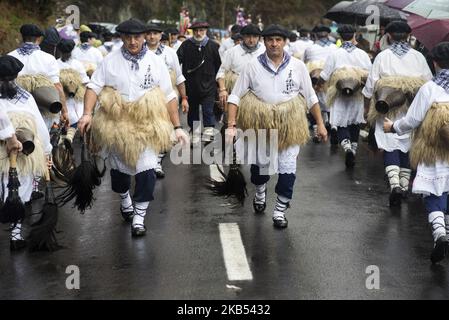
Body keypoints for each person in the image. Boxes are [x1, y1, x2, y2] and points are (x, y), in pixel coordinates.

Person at [77, 18, 189, 237]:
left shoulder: (155, 62)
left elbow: (168, 95)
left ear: (144, 37)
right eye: (127, 37)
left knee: (147, 171)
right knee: (120, 175)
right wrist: (87, 114)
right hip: (117, 125)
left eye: (136, 37)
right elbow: (94, 86)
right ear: (121, 38)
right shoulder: (110, 61)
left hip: (146, 124)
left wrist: (177, 126)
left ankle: (139, 217)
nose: (132, 41)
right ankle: (124, 199)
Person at [226, 24, 328, 229]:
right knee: (260, 170)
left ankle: (280, 210)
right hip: (261, 125)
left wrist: (320, 123)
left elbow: (310, 97)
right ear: (264, 42)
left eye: (278, 40)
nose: (274, 43)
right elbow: (235, 96)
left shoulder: (298, 66)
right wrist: (231, 124)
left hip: (290, 125)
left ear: (284, 42)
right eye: (270, 40)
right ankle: (260, 190)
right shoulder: (252, 66)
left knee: (287, 169)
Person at [383, 42, 449, 263]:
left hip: (433, 150)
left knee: (433, 193)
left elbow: (412, 120)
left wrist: (393, 127)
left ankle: (439, 232)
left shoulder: (430, 89)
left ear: (434, 63)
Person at [362, 20, 433, 207]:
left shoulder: (382, 56)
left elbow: (370, 86)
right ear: (409, 36)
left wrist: (366, 108)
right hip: (412, 107)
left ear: (389, 36)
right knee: (407, 144)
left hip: (386, 107)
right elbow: (429, 84)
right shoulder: (418, 57)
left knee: (389, 144)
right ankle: (403, 185)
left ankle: (394, 184)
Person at [0, 55, 52, 250]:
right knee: (15, 188)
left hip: (24, 152)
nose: (7, 82)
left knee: (16, 188)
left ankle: (15, 233)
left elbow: (38, 126)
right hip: (10, 152)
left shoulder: (27, 97)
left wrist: (46, 150)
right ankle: (15, 234)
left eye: (9, 78)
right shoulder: (25, 97)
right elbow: (39, 126)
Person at [320, 25, 372, 168]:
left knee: (340, 122)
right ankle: (353, 150)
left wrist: (318, 84)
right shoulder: (362, 54)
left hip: (339, 94)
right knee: (355, 122)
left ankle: (347, 148)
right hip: (357, 94)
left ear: (340, 37)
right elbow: (370, 75)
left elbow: (324, 75)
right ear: (354, 35)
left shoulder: (335, 54)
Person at [146, 24, 189, 178]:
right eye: (149, 33)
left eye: (155, 33)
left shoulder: (170, 53)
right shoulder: (139, 53)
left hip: (166, 98)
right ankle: (144, 161)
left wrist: (184, 98)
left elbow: (179, 76)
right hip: (143, 100)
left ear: (160, 35)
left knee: (164, 130)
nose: (152, 37)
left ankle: (157, 162)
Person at [8, 24, 69, 129]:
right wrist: (64, 111)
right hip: (43, 110)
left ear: (22, 37)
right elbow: (57, 86)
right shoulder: (48, 59)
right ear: (39, 39)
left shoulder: (9, 57)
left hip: (15, 110)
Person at [177, 21, 221, 143]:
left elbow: (219, 65)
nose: (198, 33)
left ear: (205, 31)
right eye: (196, 30)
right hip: (191, 85)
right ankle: (195, 133)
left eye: (201, 30)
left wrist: (218, 84)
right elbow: (176, 62)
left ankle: (208, 130)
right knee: (193, 111)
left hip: (209, 85)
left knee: (208, 109)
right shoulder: (185, 45)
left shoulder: (213, 46)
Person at [216, 24, 265, 110]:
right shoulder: (231, 52)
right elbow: (221, 72)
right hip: (237, 94)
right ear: (242, 37)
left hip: (260, 95)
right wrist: (223, 90)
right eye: (248, 36)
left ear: (259, 37)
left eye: (255, 36)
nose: (251, 40)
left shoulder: (265, 51)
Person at [304, 25, 338, 143]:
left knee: (314, 101)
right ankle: (333, 125)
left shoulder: (310, 48)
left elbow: (305, 61)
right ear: (328, 34)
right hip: (331, 76)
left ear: (315, 35)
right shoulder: (335, 48)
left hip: (315, 75)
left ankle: (316, 131)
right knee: (331, 100)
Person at [56, 39, 89, 139]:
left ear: (59, 51)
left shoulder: (55, 64)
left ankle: (64, 136)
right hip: (74, 97)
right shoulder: (77, 64)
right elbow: (84, 81)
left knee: (62, 116)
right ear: (72, 50)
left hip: (61, 97)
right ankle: (71, 136)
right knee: (76, 115)